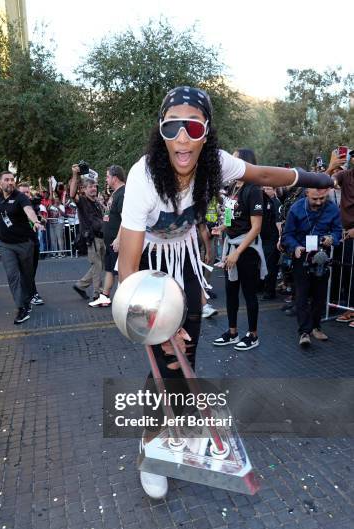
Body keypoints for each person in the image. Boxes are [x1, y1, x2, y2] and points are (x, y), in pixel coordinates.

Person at [118, 86, 334, 499]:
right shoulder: (142, 176)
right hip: (148, 266)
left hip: (183, 259)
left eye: (193, 126)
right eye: (172, 126)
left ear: (206, 133)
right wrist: (156, 323)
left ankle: (177, 423)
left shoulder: (216, 163)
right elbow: (127, 268)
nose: (182, 137)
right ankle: (149, 445)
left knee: (188, 350)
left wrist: (317, 178)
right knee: (164, 356)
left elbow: (264, 175)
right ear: (161, 131)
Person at [212, 148, 266, 351]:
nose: (229, 163)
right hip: (231, 245)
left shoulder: (253, 190)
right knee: (230, 291)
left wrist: (237, 252)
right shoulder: (234, 187)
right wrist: (222, 227)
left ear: (244, 163)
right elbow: (229, 215)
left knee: (249, 293)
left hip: (247, 249)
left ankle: (253, 335)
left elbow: (256, 228)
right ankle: (232, 332)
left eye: (233, 160)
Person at [0, 171, 43, 324]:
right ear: (0, 183)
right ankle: (21, 308)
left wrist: (36, 221)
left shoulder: (21, 197)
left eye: (12, 180)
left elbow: (29, 210)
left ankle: (27, 299)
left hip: (24, 243)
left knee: (27, 276)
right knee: (13, 276)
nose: (10, 182)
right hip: (5, 244)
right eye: (7, 180)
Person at [281, 188, 342, 346]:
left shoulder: (332, 208)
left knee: (320, 295)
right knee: (302, 295)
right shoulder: (296, 208)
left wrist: (332, 238)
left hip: (322, 256)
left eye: (322, 198)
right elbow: (287, 235)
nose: (319, 202)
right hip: (302, 256)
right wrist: (295, 247)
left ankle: (316, 326)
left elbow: (337, 232)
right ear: (307, 193)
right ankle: (304, 332)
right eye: (315, 199)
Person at [89, 165, 126, 307]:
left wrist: (118, 238)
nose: (106, 179)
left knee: (122, 270)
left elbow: (126, 218)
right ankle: (105, 297)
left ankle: (124, 299)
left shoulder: (123, 193)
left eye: (108, 177)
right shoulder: (116, 193)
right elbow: (113, 213)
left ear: (115, 178)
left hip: (117, 241)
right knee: (110, 268)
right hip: (110, 240)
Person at [326, 148, 354, 325]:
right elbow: (328, 182)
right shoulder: (345, 175)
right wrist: (330, 168)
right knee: (346, 272)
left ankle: (351, 311)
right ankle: (349, 308)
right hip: (345, 232)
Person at [70, 167, 105, 301]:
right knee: (97, 266)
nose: (93, 189)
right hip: (92, 239)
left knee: (99, 266)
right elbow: (72, 194)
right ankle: (97, 294)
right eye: (90, 187)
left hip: (101, 238)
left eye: (95, 187)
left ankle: (80, 285)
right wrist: (75, 174)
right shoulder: (82, 201)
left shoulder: (96, 202)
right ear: (83, 189)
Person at [18, 183, 45, 306]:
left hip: (34, 242)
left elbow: (38, 218)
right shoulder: (16, 206)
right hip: (22, 244)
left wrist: (40, 220)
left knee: (32, 270)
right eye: (23, 193)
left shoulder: (33, 205)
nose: (26, 195)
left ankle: (28, 292)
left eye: (27, 192)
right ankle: (31, 294)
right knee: (26, 271)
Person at [259, 186, 282, 300]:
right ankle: (262, 287)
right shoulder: (262, 202)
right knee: (262, 264)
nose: (265, 191)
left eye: (268, 188)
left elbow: (279, 223)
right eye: (264, 188)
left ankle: (269, 292)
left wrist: (279, 239)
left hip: (272, 239)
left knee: (270, 266)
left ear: (274, 190)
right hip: (262, 238)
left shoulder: (276, 203)